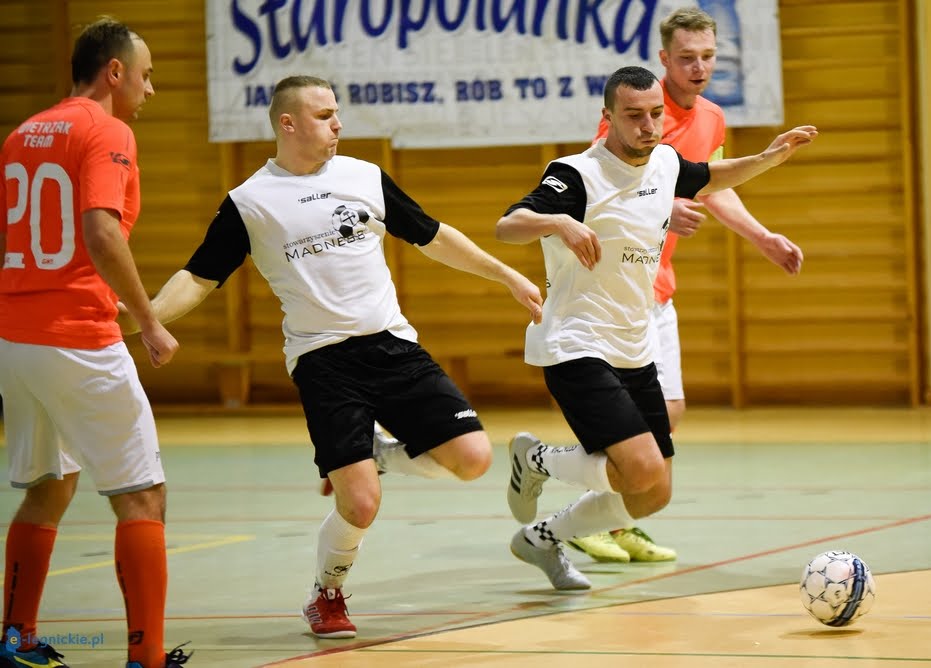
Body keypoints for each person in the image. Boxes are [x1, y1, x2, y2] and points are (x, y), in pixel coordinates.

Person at [118, 75, 544, 638]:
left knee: (473, 459)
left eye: (337, 113)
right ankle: (327, 593)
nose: (337, 124)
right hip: (323, 360)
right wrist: (145, 318)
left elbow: (433, 235)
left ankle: (380, 454)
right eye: (324, 115)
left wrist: (507, 275)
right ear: (288, 124)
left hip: (392, 345)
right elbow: (199, 277)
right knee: (362, 504)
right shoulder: (249, 202)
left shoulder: (364, 177)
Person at [497, 65, 816, 590]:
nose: (648, 126)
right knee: (641, 468)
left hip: (633, 344)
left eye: (654, 115)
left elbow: (711, 176)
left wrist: (768, 158)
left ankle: (542, 537)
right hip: (577, 341)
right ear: (607, 118)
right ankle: (536, 460)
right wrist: (558, 221)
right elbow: (507, 225)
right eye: (633, 116)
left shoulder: (665, 161)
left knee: (653, 492)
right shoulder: (574, 174)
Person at [568, 5, 806, 564]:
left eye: (707, 57)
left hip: (658, 278)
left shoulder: (712, 119)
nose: (698, 68)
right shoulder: (638, 115)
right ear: (663, 59)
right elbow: (605, 185)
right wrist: (662, 209)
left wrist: (762, 236)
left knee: (668, 412)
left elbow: (712, 187)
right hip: (613, 281)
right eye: (686, 58)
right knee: (636, 414)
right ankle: (585, 511)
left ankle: (611, 517)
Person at [0, 17, 191, 668]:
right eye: (146, 74)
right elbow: (100, 231)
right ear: (115, 72)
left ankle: (16, 638)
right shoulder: (108, 129)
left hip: (16, 339)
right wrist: (149, 319)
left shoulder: (22, 133)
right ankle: (149, 658)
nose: (150, 89)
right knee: (141, 494)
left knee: (50, 484)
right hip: (77, 339)